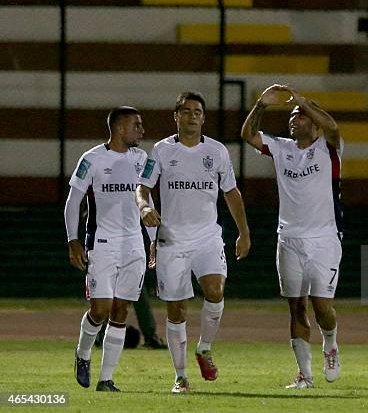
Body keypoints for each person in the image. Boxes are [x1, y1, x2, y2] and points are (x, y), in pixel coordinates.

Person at [136, 90, 251, 394]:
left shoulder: (217, 152)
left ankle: (204, 348)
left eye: (197, 111)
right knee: (177, 309)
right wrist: (145, 208)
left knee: (215, 290)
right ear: (176, 117)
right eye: (185, 111)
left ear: (203, 117)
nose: (192, 116)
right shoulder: (161, 151)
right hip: (172, 239)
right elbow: (142, 189)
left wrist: (244, 232)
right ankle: (180, 376)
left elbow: (231, 193)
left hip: (207, 237)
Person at [241, 84, 343, 389]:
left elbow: (333, 126)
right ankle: (304, 374)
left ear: (313, 122)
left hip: (324, 238)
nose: (293, 120)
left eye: (299, 117)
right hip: (288, 238)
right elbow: (248, 135)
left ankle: (331, 343)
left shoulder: (329, 147)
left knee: (321, 304)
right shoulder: (281, 147)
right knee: (296, 306)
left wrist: (302, 101)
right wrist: (260, 105)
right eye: (292, 117)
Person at [65, 106, 149, 392]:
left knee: (121, 310)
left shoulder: (142, 159)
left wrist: (152, 241)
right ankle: (83, 353)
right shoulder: (92, 159)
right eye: (136, 125)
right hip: (102, 242)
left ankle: (106, 379)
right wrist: (72, 239)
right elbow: (73, 201)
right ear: (120, 128)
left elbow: (147, 204)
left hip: (134, 243)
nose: (142, 130)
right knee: (99, 310)